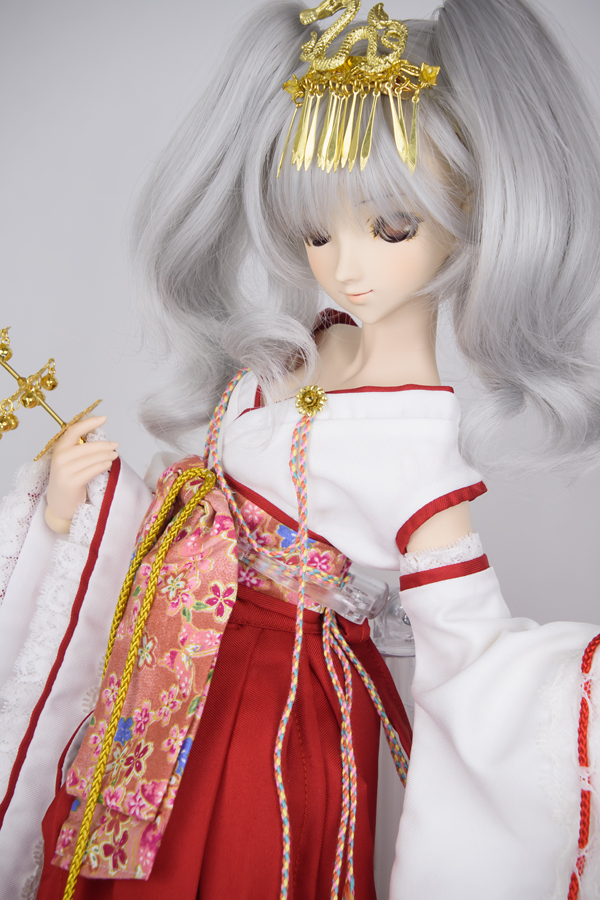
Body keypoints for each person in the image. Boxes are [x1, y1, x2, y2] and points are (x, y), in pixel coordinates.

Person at [1, 0, 600, 897]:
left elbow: (472, 654)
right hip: (164, 687)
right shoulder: (311, 343)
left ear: (473, 208)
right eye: (318, 231)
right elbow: (201, 524)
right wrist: (78, 502)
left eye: (390, 226)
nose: (344, 265)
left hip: (268, 722)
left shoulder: (419, 453)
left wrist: (573, 690)